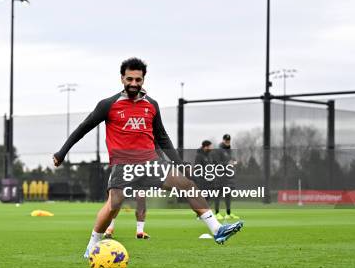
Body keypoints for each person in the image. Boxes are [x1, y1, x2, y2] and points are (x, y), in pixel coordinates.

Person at [53, 58, 243, 257]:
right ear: (122, 79)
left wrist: (179, 164)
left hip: (151, 163)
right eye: (130, 79)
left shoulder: (151, 105)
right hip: (123, 165)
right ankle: (92, 246)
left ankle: (217, 230)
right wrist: (62, 152)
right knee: (114, 204)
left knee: (187, 184)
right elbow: (82, 129)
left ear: (143, 79)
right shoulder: (108, 105)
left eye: (138, 79)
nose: (134, 83)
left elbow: (162, 137)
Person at [211, 134, 239, 220]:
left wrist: (234, 162)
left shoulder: (229, 151)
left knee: (228, 195)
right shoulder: (219, 150)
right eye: (226, 140)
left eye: (229, 141)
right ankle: (216, 213)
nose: (227, 142)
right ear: (223, 140)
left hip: (228, 177)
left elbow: (231, 160)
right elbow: (216, 163)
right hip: (220, 176)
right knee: (218, 195)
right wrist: (228, 164)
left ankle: (228, 213)